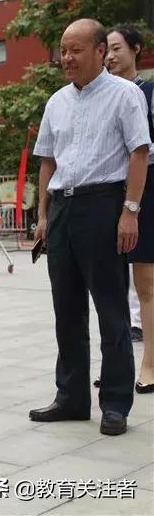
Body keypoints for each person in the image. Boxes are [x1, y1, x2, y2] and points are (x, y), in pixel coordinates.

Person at [30, 19, 150, 436]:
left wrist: (130, 210)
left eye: (76, 49)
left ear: (101, 51)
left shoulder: (125, 95)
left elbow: (139, 152)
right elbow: (47, 160)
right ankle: (72, 397)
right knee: (66, 309)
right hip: (62, 208)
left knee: (111, 309)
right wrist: (43, 215)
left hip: (104, 205)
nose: (67, 58)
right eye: (63, 50)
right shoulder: (57, 101)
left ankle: (115, 402)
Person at [104, 25, 153, 393]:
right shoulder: (100, 94)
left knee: (145, 281)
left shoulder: (148, 92)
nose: (110, 56)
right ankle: (116, 366)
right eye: (106, 49)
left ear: (136, 49)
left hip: (145, 190)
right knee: (110, 284)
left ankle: (149, 363)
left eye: (118, 48)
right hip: (107, 193)